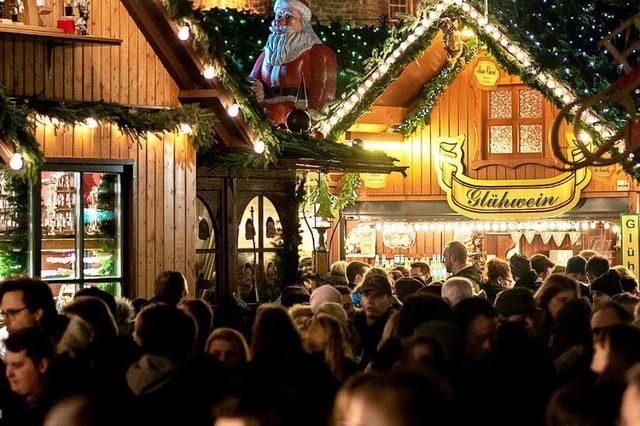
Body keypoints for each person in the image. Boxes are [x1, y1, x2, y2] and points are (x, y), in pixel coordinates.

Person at [249, 0, 337, 126]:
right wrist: (255, 90)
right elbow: (252, 79)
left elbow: (323, 87)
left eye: (289, 16)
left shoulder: (318, 52)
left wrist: (313, 116)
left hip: (297, 116)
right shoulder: (266, 54)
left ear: (303, 22)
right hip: (264, 112)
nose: (281, 21)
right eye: (279, 16)